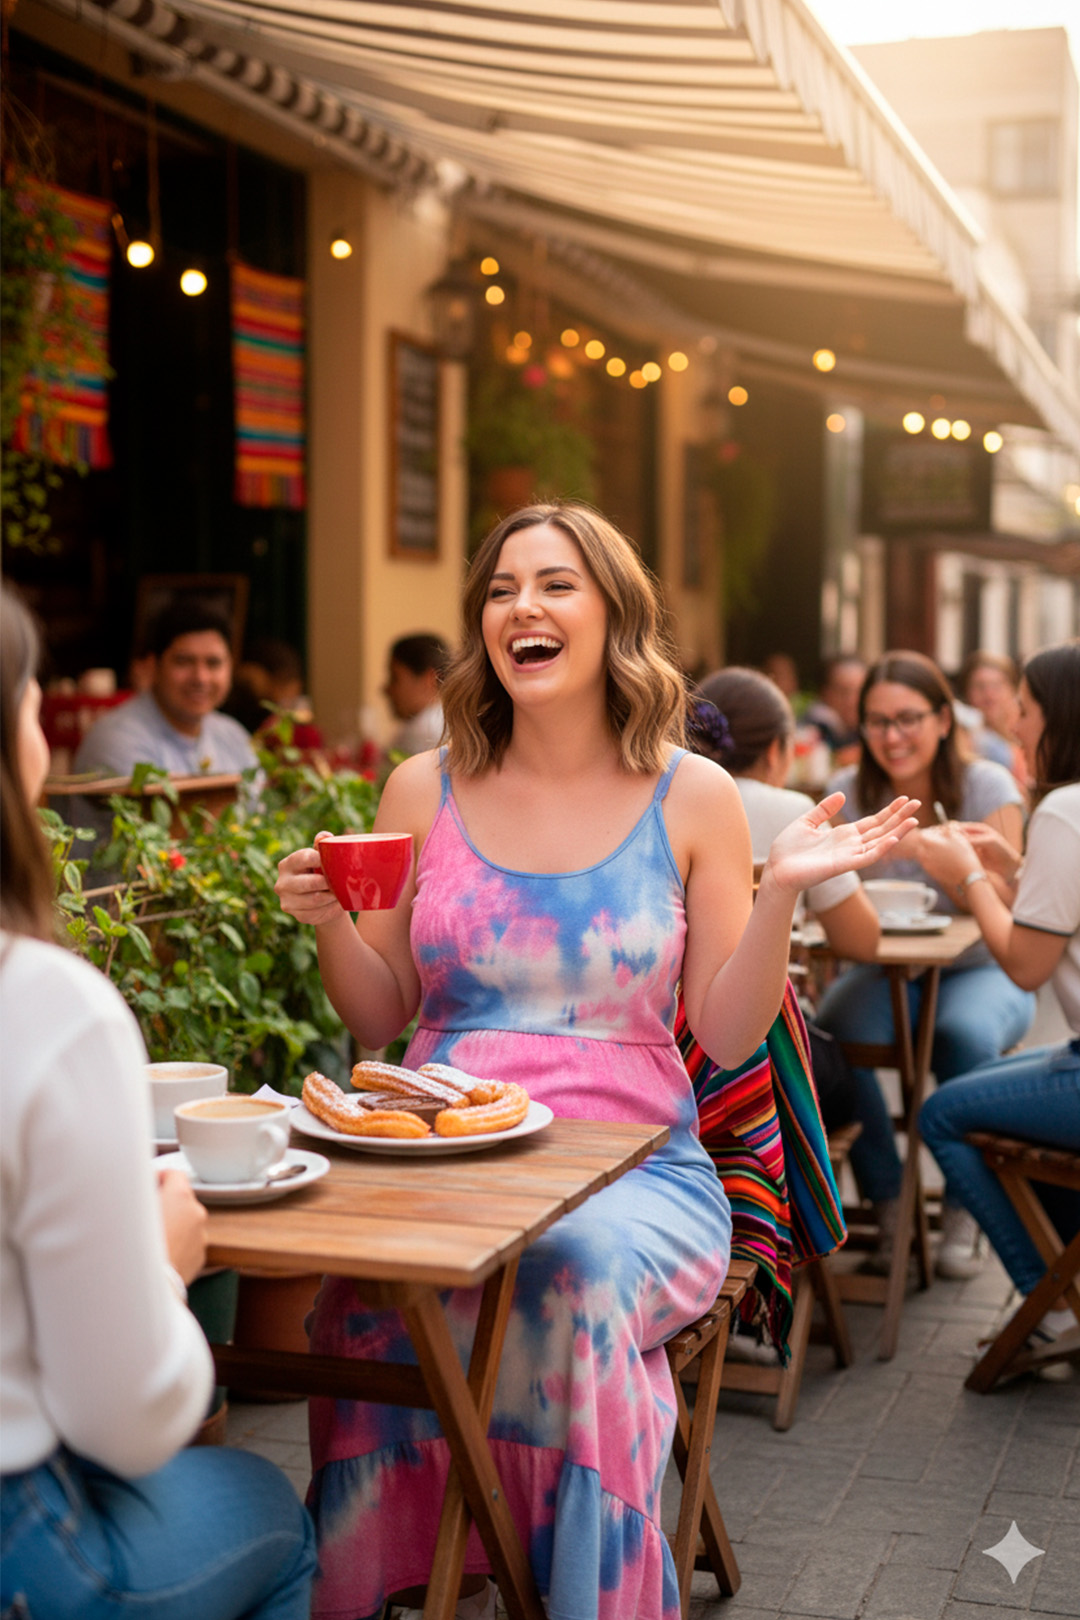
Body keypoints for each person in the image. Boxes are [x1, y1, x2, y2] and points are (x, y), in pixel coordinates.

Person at [275, 502, 915, 1620]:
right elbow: (382, 1013)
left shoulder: (695, 796)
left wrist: (780, 894)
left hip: (635, 1172)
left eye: (556, 583)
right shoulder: (422, 789)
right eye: (501, 588)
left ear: (615, 612)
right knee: (362, 1298)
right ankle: (395, 1574)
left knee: (564, 1274)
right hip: (450, 1160)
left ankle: (583, 1592)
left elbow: (721, 1036)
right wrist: (330, 916)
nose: (523, 605)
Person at [0, 586, 317, 1620]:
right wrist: (165, 1269)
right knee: (270, 1507)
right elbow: (130, 1420)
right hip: (25, 1551)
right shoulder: (47, 1009)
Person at [814, 649, 1035, 1278]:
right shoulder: (854, 790)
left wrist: (954, 865)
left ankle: (968, 1213)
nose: (892, 736)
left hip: (981, 965)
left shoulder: (987, 784)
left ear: (944, 719)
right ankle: (889, 1204)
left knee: (962, 1035)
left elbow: (1018, 905)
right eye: (877, 722)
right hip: (886, 964)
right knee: (836, 1033)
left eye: (908, 718)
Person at [918, 641, 1080, 1353]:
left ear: (1058, 716)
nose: (1014, 725)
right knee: (982, 1086)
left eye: (1024, 708)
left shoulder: (1065, 811)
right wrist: (1012, 866)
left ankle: (1049, 1306)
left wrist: (968, 878)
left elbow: (1024, 964)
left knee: (943, 1112)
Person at [74, 598, 257, 778]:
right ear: (153, 666)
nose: (201, 678)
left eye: (213, 663)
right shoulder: (117, 741)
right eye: (184, 661)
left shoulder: (234, 737)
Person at [960, 649, 1027, 784]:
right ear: (966, 691)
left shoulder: (1026, 729)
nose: (989, 695)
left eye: (997, 686)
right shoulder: (962, 738)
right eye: (980, 686)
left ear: (1013, 690)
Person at [384, 631, 450, 756]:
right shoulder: (451, 722)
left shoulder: (424, 732)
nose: (387, 689)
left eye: (395, 678)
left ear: (430, 679)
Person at [804, 654, 867, 765]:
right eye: (843, 691)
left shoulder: (874, 728)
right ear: (824, 693)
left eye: (860, 691)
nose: (852, 700)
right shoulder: (810, 730)